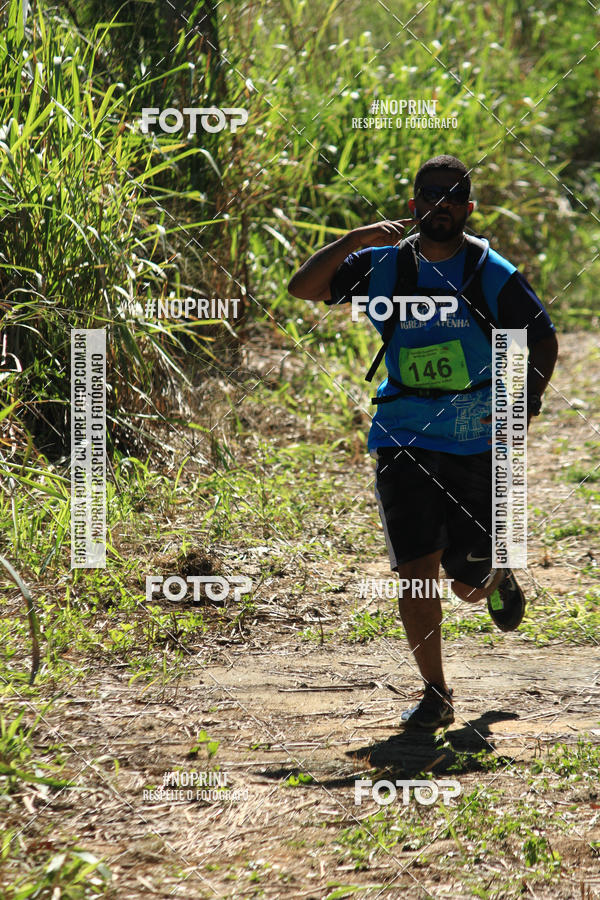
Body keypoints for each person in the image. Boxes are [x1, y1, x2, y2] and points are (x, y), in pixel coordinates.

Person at [288, 154, 558, 729]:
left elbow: (542, 338)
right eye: (431, 194)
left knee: (465, 585)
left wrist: (524, 407)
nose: (441, 204)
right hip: (403, 430)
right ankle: (436, 693)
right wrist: (356, 238)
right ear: (414, 205)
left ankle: (495, 575)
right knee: (415, 569)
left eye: (453, 196)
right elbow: (302, 288)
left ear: (468, 208)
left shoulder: (489, 271)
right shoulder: (384, 264)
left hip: (475, 435)